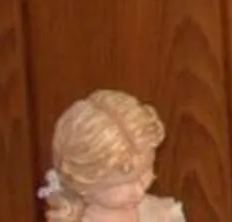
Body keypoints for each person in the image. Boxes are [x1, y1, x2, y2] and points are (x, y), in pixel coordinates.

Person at [40, 90, 183, 222]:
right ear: (84, 181)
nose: (138, 190)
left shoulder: (160, 213)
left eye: (144, 172)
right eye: (122, 184)